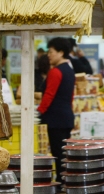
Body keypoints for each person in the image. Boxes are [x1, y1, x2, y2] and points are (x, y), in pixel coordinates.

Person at [37, 37, 75, 183]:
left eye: (51, 51)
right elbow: (71, 96)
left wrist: (39, 111)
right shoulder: (70, 70)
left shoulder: (55, 72)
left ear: (60, 52)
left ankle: (60, 182)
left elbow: (49, 95)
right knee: (64, 152)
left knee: (57, 152)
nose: (48, 55)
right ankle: (64, 180)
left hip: (55, 119)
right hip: (66, 117)